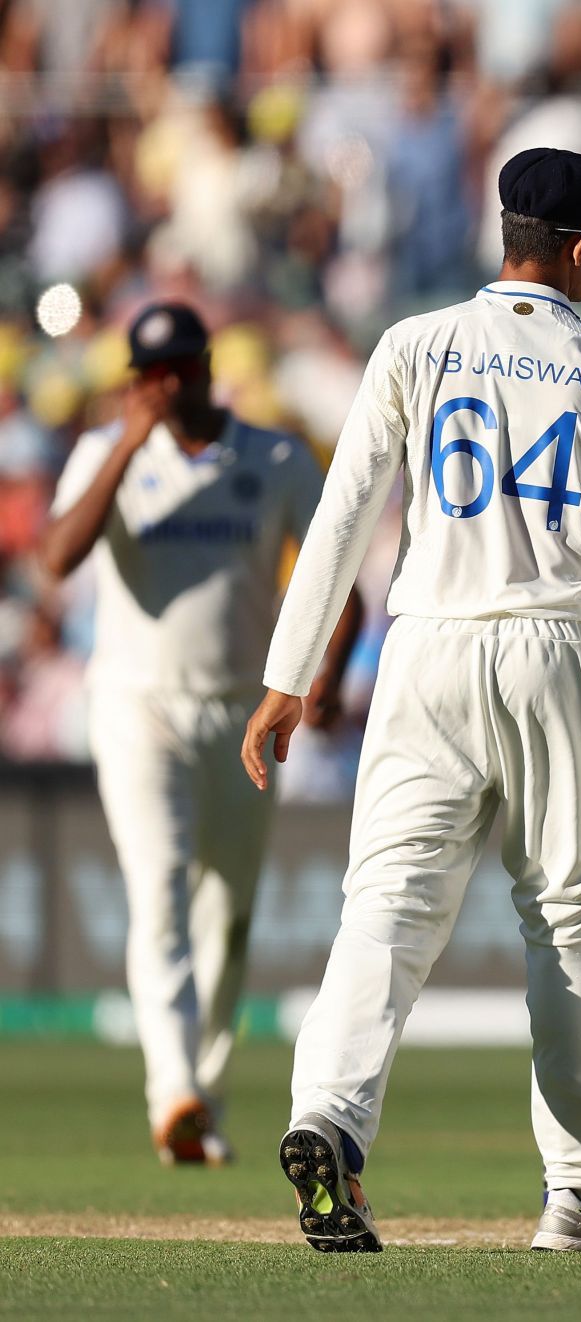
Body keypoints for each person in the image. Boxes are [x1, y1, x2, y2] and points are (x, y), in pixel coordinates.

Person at [241, 147, 581, 1254]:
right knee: (575, 920)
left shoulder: (411, 342)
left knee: (386, 903)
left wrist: (287, 679)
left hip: (427, 645)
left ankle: (327, 1117)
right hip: (559, 646)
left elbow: (343, 519)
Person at [40, 301, 363, 1166]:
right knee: (159, 891)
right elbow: (56, 557)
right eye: (148, 375)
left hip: (239, 711)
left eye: (177, 370)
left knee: (230, 916)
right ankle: (173, 1088)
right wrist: (123, 441)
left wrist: (323, 679)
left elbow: (338, 576)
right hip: (137, 704)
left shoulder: (274, 456)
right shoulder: (107, 454)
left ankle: (203, 1103)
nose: (164, 387)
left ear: (205, 366)